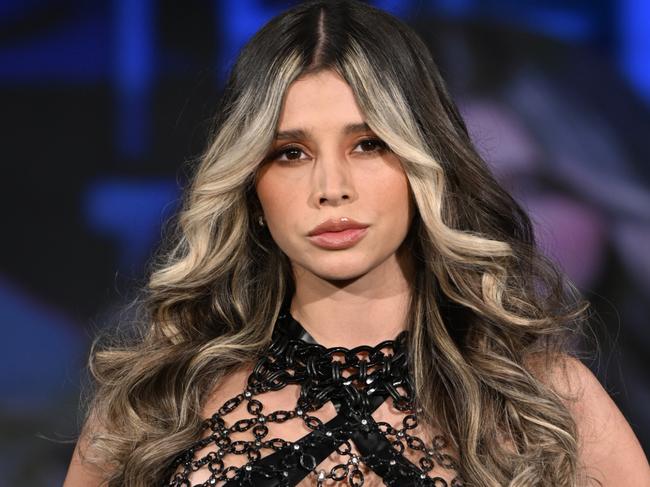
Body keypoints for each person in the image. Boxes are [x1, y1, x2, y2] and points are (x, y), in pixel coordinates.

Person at [63, 1, 650, 486]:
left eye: (368, 144)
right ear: (249, 184)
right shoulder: (155, 403)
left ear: (426, 164)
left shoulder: (542, 398)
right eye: (289, 153)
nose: (331, 189)